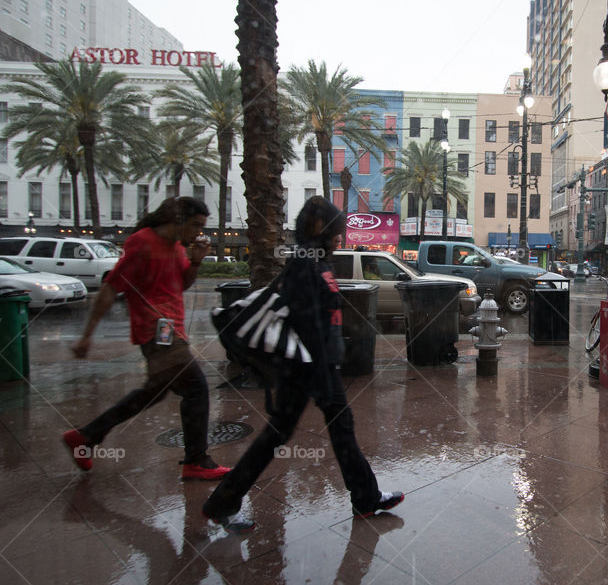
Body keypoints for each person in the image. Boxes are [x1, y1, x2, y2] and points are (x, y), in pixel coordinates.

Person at [202, 196, 403, 533]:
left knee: (327, 432)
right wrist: (322, 370)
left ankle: (366, 497)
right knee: (282, 436)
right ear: (319, 230)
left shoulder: (317, 261)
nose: (340, 239)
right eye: (336, 232)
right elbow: (305, 321)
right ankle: (221, 502)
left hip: (316, 368)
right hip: (309, 369)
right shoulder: (305, 263)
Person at [63, 196, 230, 480]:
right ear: (177, 220)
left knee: (153, 392)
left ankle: (86, 437)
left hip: (170, 327)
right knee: (196, 389)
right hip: (156, 329)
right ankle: (196, 460)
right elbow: (110, 288)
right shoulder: (142, 243)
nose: (198, 233)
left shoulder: (178, 247)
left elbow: (182, 285)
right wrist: (87, 336)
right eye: (194, 225)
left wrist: (196, 262)